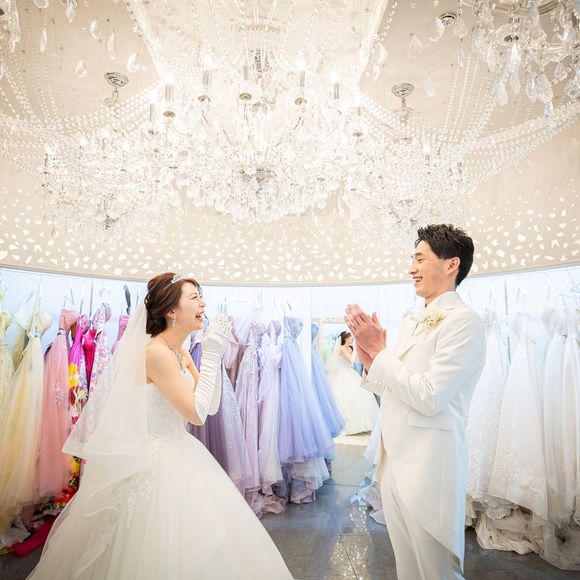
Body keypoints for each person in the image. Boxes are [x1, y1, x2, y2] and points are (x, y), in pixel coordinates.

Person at [29, 272, 292, 579]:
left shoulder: (178, 351)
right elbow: (196, 414)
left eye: (200, 296)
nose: (203, 303)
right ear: (171, 311)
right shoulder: (155, 353)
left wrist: (215, 356)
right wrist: (210, 355)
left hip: (180, 448)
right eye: (194, 297)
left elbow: (209, 405)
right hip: (154, 459)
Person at [344, 224, 486, 580]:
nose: (411, 268)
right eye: (413, 259)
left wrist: (380, 353)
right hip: (395, 462)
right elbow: (399, 388)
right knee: (408, 569)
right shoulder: (412, 320)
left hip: (430, 466)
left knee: (437, 571)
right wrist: (371, 359)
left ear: (451, 264)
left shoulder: (464, 322)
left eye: (420, 259)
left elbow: (430, 396)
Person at [326, 331, 378, 435]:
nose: (352, 338)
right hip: (342, 374)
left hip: (350, 372)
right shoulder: (341, 349)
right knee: (344, 397)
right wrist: (356, 348)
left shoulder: (350, 348)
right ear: (345, 338)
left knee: (360, 395)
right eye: (350, 336)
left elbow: (356, 361)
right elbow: (351, 360)